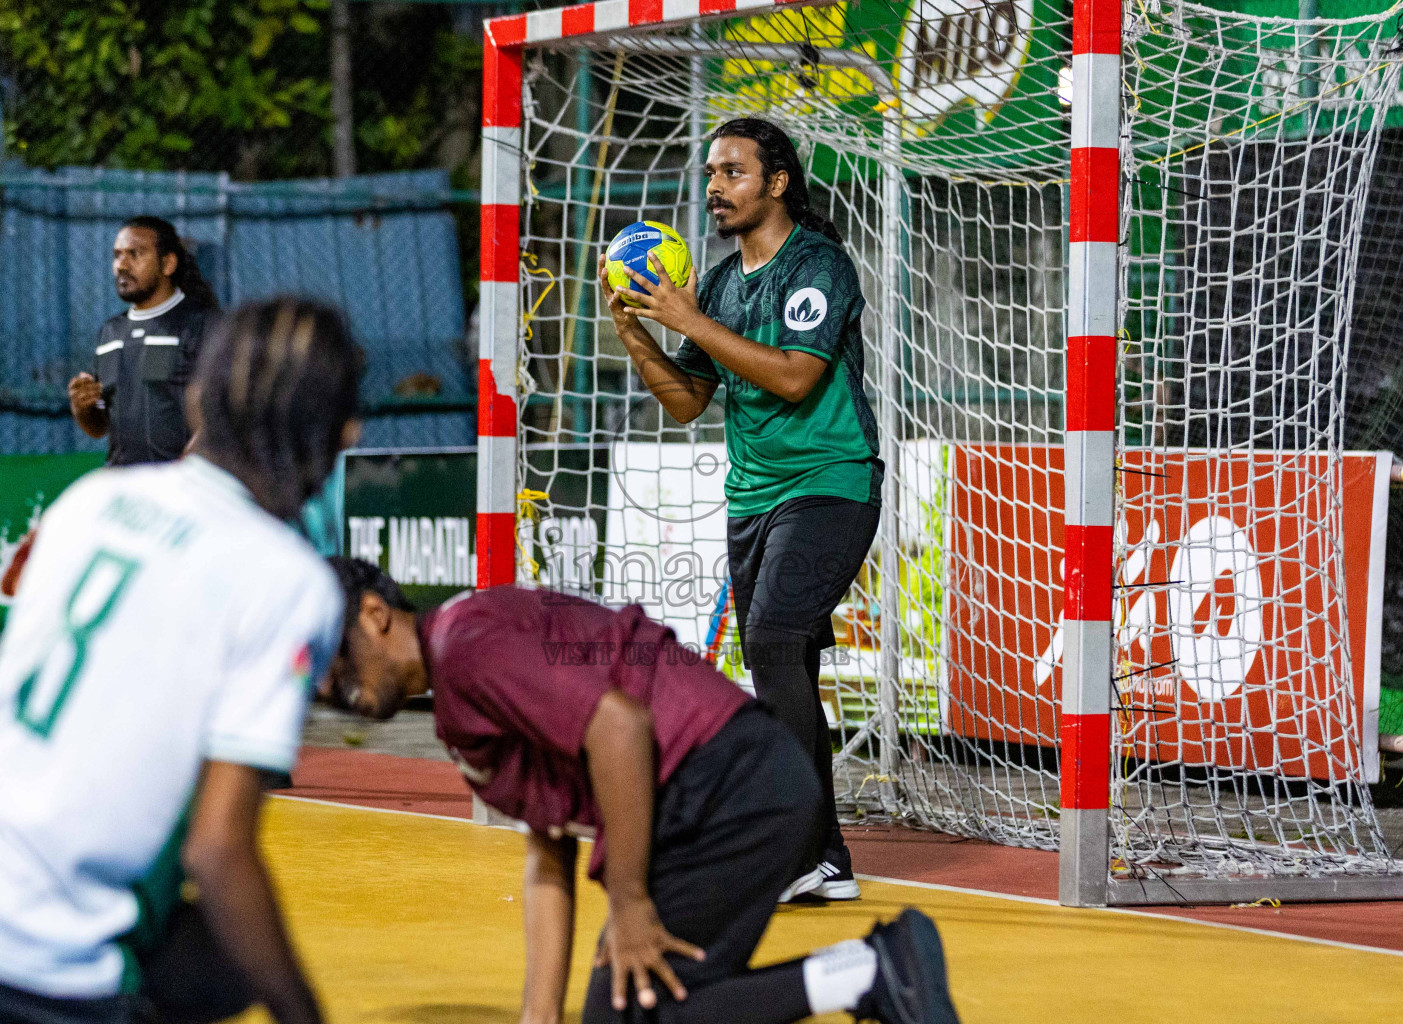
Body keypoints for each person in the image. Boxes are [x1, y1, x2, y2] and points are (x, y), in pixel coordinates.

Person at [0, 297, 363, 1024]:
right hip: (50, 958)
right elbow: (217, 852)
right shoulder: (286, 581)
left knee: (222, 967)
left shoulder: (93, 501)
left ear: (199, 397)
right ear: (332, 432)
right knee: (251, 955)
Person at [323, 561, 960, 1024]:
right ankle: (874, 970)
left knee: (635, 1011)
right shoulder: (459, 684)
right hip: (724, 784)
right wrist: (538, 1015)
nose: (334, 691)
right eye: (321, 687)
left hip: (728, 783)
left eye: (335, 663)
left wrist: (628, 903)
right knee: (638, 1004)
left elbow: (620, 725)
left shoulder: (466, 647)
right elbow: (548, 849)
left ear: (374, 616)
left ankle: (878, 969)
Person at [598, 117, 881, 902]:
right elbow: (688, 402)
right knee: (779, 662)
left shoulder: (817, 264)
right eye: (711, 173)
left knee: (773, 640)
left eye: (733, 172)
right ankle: (823, 859)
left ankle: (792, 849)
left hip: (832, 484)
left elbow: (795, 377)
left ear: (778, 182)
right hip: (752, 495)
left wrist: (690, 322)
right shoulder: (719, 283)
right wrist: (638, 335)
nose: (715, 187)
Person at [68, 216, 221, 466]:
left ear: (168, 264)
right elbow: (100, 426)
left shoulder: (202, 324)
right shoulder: (110, 333)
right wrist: (83, 408)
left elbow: (220, 414)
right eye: (117, 255)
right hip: (125, 487)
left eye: (135, 254)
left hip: (180, 489)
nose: (122, 265)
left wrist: (183, 471)